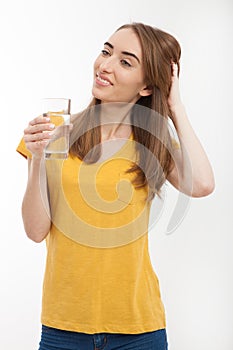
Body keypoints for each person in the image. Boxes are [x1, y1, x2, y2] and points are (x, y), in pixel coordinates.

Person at [17, 22, 215, 350]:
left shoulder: (152, 142)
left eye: (125, 61)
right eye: (106, 51)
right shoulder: (55, 131)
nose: (104, 65)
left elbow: (203, 184)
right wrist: (37, 159)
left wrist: (175, 107)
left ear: (148, 86)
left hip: (139, 329)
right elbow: (36, 231)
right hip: (63, 327)